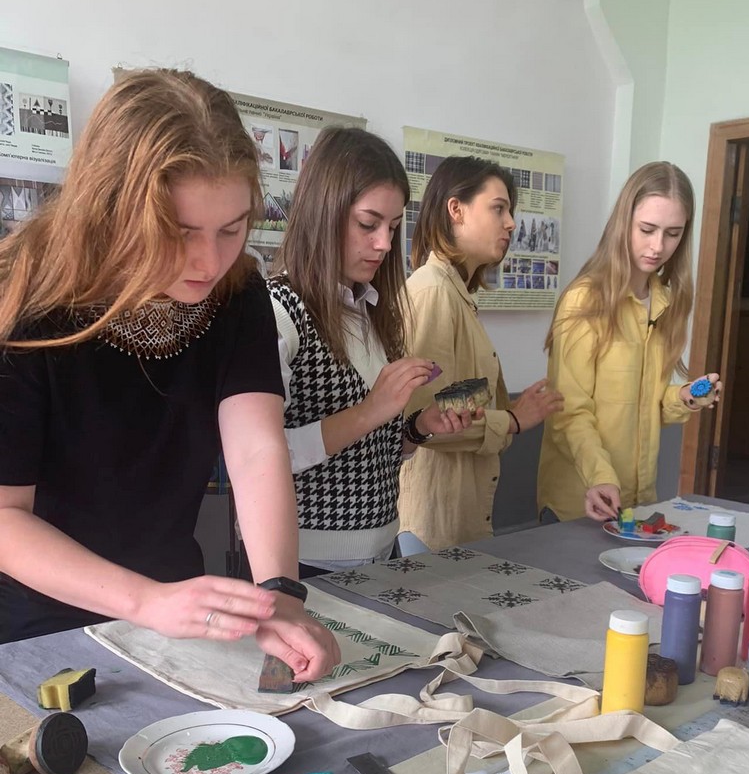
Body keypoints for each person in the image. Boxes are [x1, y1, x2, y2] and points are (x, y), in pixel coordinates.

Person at [0, 68, 339, 683]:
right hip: (35, 623)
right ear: (108, 211)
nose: (210, 262)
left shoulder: (237, 292)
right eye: (178, 234)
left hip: (176, 610)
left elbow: (257, 450)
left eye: (231, 229)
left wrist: (280, 595)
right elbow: (4, 516)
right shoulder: (25, 298)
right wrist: (146, 601)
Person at [266, 126, 473, 575]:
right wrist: (370, 410)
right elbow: (262, 456)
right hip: (304, 561)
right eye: (368, 224)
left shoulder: (370, 309)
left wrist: (417, 429)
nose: (383, 243)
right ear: (323, 211)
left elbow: (368, 453)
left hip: (382, 551)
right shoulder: (279, 310)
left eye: (393, 227)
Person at [537, 161, 721, 523]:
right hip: (581, 501)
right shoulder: (585, 300)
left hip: (637, 503)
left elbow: (646, 406)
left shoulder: (665, 300)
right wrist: (601, 477)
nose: (658, 246)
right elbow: (569, 412)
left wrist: (685, 397)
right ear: (624, 223)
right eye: (647, 229)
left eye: (673, 233)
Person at [397, 156, 563, 551]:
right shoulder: (434, 291)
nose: (511, 224)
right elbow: (424, 420)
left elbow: (455, 400)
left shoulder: (456, 294)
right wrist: (512, 420)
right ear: (456, 209)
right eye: (498, 209)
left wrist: (507, 411)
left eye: (510, 211)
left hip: (458, 517)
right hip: (433, 525)